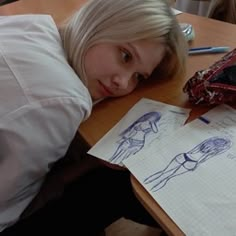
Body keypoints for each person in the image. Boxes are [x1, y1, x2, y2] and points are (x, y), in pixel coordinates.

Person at [0, 0, 187, 234]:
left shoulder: (34, 26)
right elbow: (13, 207)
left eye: (138, 76)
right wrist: (88, 164)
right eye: (125, 56)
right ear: (100, 24)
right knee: (114, 185)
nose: (123, 82)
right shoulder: (64, 101)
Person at [143, 136, 232, 192]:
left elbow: (194, 150)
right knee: (168, 177)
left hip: (185, 155)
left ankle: (146, 183)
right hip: (193, 162)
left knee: (164, 172)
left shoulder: (207, 142)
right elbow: (203, 159)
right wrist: (195, 166)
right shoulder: (215, 151)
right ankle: (151, 189)